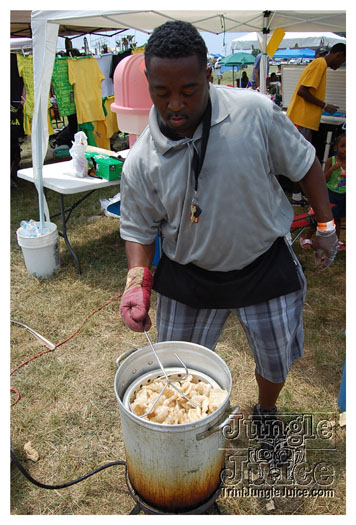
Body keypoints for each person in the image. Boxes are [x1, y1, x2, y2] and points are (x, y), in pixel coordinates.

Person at [118, 21, 338, 458]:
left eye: (189, 90)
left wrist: (327, 226)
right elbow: (139, 229)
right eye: (162, 92)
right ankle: (186, 430)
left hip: (263, 263)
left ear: (208, 75)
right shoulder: (141, 160)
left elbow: (305, 164)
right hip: (190, 273)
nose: (175, 104)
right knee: (177, 370)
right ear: (148, 83)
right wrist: (136, 283)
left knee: (276, 360)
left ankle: (266, 412)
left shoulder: (253, 112)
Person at [286, 43, 346, 206]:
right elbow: (302, 91)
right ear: (338, 54)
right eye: (341, 62)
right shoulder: (319, 64)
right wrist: (325, 106)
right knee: (300, 159)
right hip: (301, 120)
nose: (339, 66)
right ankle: (296, 196)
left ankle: (300, 195)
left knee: (303, 158)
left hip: (305, 121)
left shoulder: (321, 65)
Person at [300, 133, 346, 251]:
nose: (346, 150)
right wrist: (332, 169)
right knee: (320, 218)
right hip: (330, 193)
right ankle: (308, 237)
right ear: (335, 148)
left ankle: (335, 241)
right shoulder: (332, 160)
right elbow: (324, 178)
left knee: (338, 219)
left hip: (343, 194)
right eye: (343, 146)